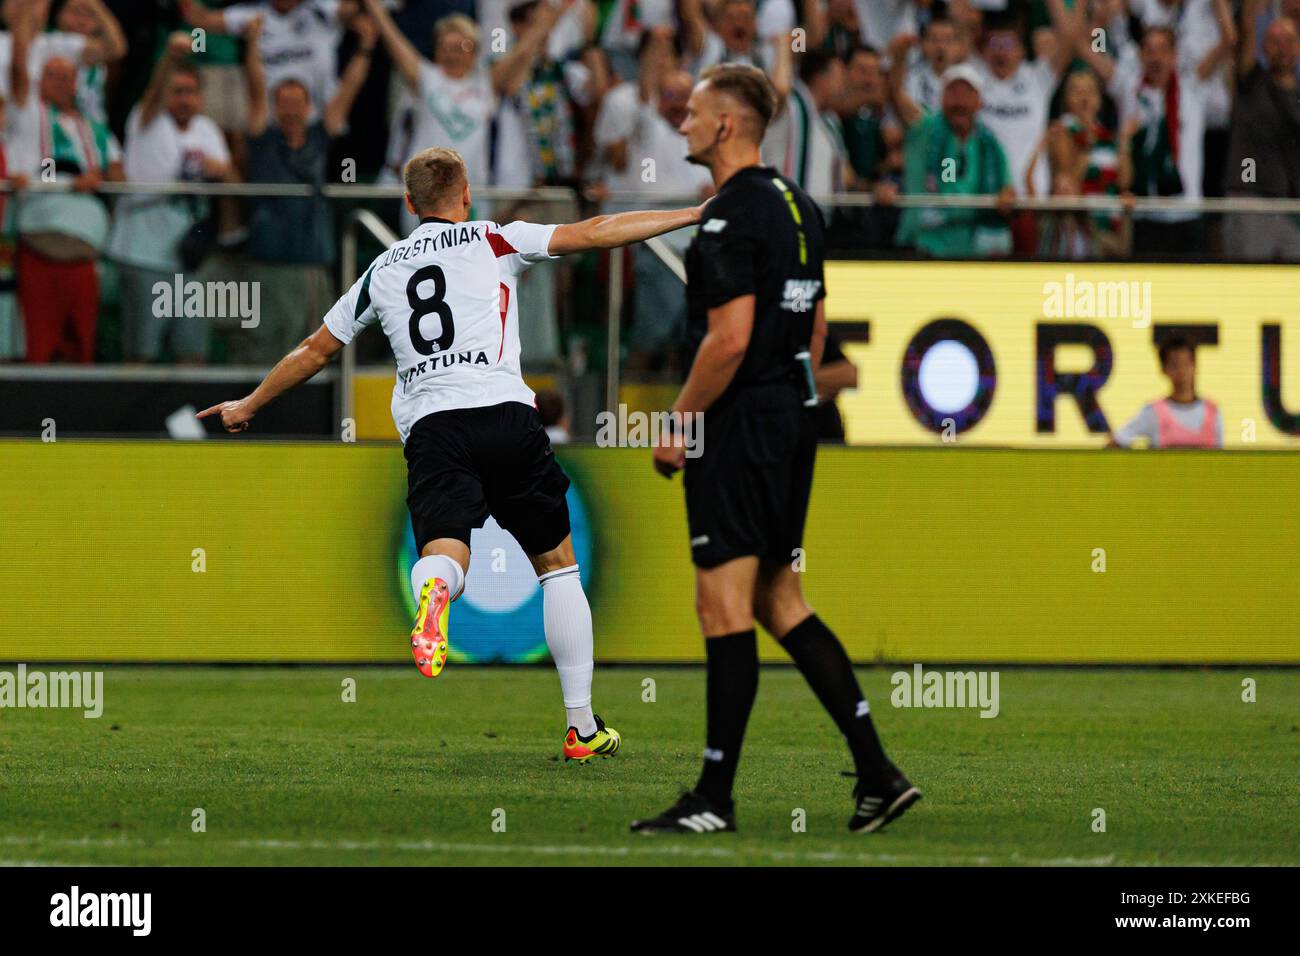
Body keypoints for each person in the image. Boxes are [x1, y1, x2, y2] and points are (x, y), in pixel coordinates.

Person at [197, 145, 705, 760]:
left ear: (409, 205)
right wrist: (692, 212)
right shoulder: (495, 239)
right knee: (558, 566)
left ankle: (436, 591)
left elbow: (314, 349)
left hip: (434, 425)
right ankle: (581, 727)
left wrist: (248, 404)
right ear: (466, 196)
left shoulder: (380, 272)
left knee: (444, 550)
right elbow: (597, 232)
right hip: (505, 414)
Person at [633, 64, 918, 835]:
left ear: (726, 125)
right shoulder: (800, 205)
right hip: (793, 414)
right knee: (778, 599)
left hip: (738, 422)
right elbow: (817, 328)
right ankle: (877, 774)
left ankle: (714, 799)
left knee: (721, 604)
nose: (681, 123)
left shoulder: (727, 218)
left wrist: (678, 424)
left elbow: (726, 341)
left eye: (692, 113)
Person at [229, 12, 374, 364]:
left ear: (308, 106)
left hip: (311, 261)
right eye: (284, 102)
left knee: (310, 354)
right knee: (264, 353)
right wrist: (251, 42)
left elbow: (348, 90)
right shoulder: (264, 138)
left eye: (298, 102)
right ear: (276, 107)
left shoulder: (320, 138)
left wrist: (366, 47)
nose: (291, 109)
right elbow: (255, 83)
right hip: (269, 261)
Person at [106, 31, 237, 364]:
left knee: (193, 353)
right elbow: (153, 91)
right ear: (165, 95)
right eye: (176, 92)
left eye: (190, 92)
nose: (183, 99)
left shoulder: (207, 129)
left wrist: (222, 171)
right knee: (141, 354)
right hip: (143, 253)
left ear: (200, 97)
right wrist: (170, 57)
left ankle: (189, 418)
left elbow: (236, 187)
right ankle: (132, 418)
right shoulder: (146, 120)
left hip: (189, 257)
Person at [7, 2, 123, 363]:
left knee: (82, 348)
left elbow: (120, 178)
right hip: (41, 242)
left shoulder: (96, 130)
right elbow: (18, 64)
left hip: (86, 252)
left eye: (68, 76)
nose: (62, 82)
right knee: (38, 348)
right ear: (40, 80)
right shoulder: (29, 115)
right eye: (53, 75)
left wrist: (101, 178)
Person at [894, 61, 1017, 258]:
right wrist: (897, 57)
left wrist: (1006, 195)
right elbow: (895, 97)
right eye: (953, 92)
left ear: (979, 101)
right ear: (942, 99)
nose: (959, 101)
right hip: (925, 244)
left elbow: (1007, 188)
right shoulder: (925, 130)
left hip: (972, 247)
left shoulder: (990, 145)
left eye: (966, 93)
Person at [1224, 14, 1300, 261]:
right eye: (1275, 41)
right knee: (1250, 285)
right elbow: (1246, 29)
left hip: (1291, 206)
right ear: (1263, 48)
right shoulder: (1250, 81)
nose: (1283, 48)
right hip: (1251, 199)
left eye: (1289, 41)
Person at [1108, 334, 1223, 448]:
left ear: (1195, 365)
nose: (1182, 371)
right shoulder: (1153, 411)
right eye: (1175, 365)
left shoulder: (1213, 411)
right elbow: (1117, 441)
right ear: (1163, 369)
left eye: (1186, 363)